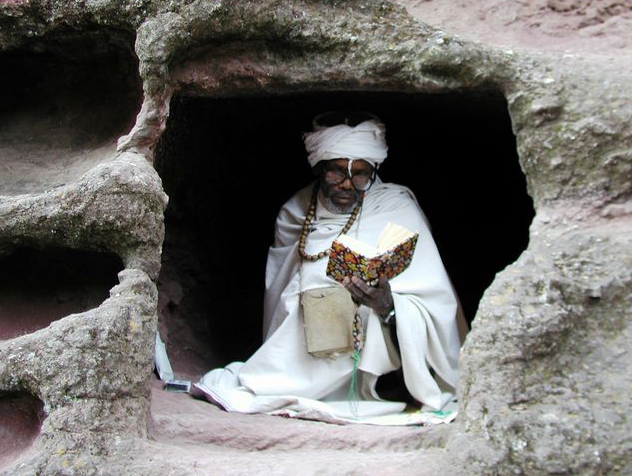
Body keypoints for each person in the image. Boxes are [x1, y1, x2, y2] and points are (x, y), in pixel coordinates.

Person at [194, 114, 463, 421]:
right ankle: (292, 381)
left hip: (379, 348)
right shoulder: (296, 211)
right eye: (337, 172)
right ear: (319, 169)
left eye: (361, 174)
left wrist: (389, 307)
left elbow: (433, 303)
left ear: (374, 171)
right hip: (305, 337)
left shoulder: (396, 207)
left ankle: (369, 390)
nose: (348, 184)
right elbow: (279, 290)